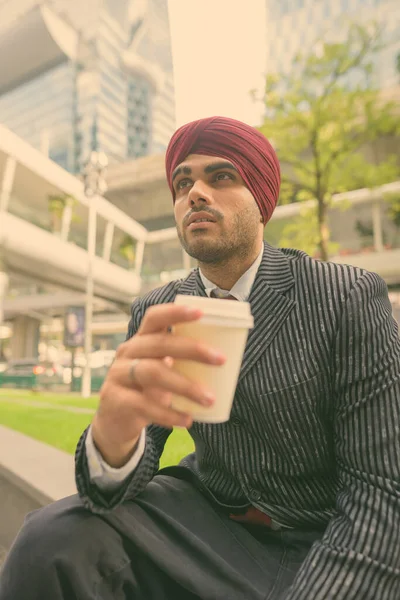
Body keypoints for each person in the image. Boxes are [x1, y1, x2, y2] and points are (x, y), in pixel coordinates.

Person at [1, 117, 399, 600]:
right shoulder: (158, 310)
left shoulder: (346, 296)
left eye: (221, 176)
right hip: (207, 516)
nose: (196, 193)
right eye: (183, 182)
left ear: (262, 197)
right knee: (50, 542)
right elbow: (112, 483)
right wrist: (113, 441)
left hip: (317, 531)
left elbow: (380, 493)